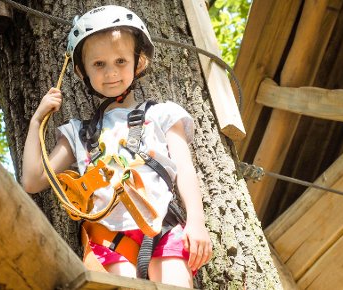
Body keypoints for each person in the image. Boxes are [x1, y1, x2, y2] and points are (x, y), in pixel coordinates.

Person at [21, 5, 212, 287]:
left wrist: (197, 223)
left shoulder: (163, 114)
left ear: (139, 62)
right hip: (107, 237)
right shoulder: (79, 133)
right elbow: (33, 180)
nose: (111, 72)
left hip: (163, 227)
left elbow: (185, 169)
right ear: (80, 70)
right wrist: (37, 120)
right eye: (99, 64)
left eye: (121, 61)